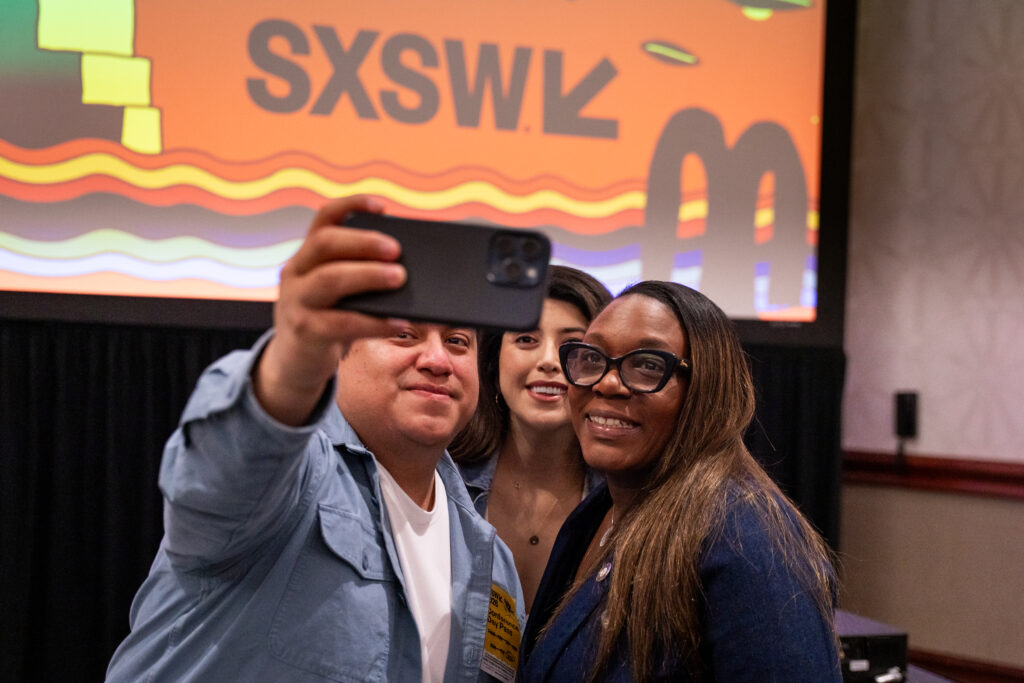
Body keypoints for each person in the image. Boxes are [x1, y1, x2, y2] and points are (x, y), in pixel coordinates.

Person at [106, 196, 525, 683]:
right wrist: (293, 361)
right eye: (405, 334)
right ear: (338, 349)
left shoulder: (490, 561)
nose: (437, 359)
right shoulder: (289, 481)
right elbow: (217, 476)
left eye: (458, 342)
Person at [518, 281, 841, 682]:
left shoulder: (747, 541)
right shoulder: (594, 516)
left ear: (705, 390)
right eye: (591, 357)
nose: (606, 383)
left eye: (648, 365)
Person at [450, 266, 611, 613]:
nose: (549, 361)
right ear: (493, 359)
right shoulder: (441, 479)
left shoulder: (625, 500)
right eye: (526, 340)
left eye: (573, 346)